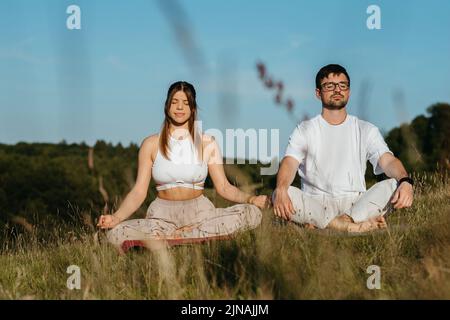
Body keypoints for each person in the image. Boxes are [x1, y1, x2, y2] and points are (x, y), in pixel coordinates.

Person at [97, 81, 269, 252]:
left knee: (252, 214)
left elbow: (223, 187)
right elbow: (139, 191)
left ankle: (175, 240)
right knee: (115, 233)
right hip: (161, 217)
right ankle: (191, 239)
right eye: (175, 102)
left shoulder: (207, 142)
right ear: (167, 106)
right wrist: (116, 217)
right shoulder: (150, 144)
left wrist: (251, 199)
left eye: (186, 103)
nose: (180, 107)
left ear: (193, 108)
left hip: (201, 214)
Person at [273, 64, 414, 233]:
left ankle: (338, 224)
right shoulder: (304, 129)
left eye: (342, 85)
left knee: (393, 184)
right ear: (318, 93)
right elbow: (289, 163)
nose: (337, 90)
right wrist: (281, 189)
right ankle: (352, 228)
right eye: (329, 86)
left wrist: (405, 181)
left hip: (357, 204)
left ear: (349, 91)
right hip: (317, 204)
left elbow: (387, 160)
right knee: (281, 192)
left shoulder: (366, 129)